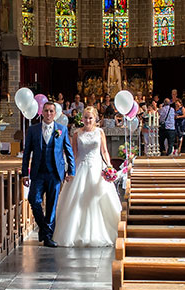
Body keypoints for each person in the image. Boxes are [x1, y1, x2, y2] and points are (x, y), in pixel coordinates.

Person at [52, 106, 122, 247]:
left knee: (97, 199)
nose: (88, 120)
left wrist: (108, 165)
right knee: (78, 199)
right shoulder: (77, 133)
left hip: (97, 168)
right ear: (82, 118)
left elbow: (104, 151)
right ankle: (76, 232)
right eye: (85, 117)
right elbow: (74, 154)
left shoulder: (100, 132)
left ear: (95, 119)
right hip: (81, 167)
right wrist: (69, 171)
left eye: (90, 118)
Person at [22, 100, 75, 247]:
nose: (48, 114)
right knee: (34, 200)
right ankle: (45, 229)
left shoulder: (62, 129)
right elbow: (27, 153)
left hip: (55, 173)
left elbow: (68, 151)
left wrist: (71, 170)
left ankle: (47, 238)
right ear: (42, 112)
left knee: (52, 206)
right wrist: (24, 173)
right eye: (46, 111)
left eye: (51, 111)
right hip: (38, 173)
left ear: (55, 113)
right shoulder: (33, 130)